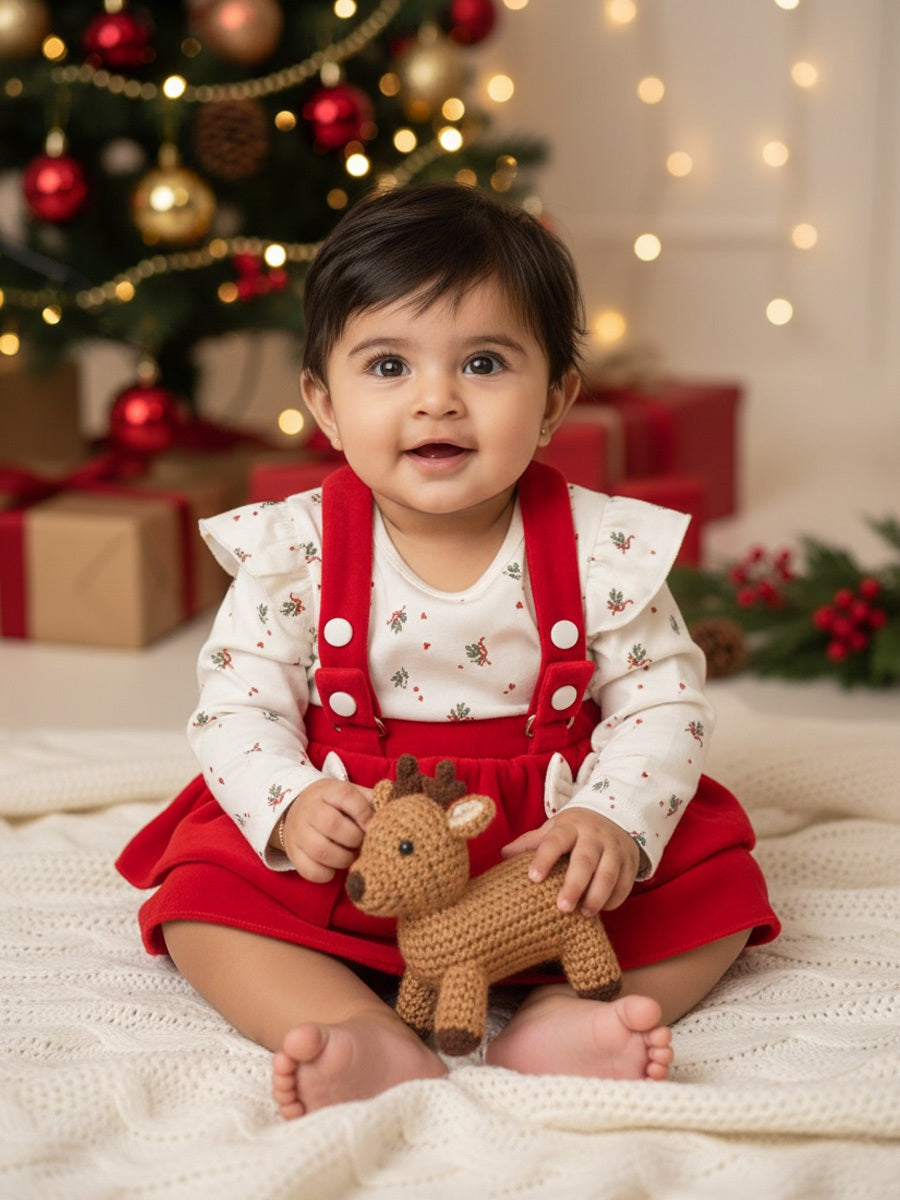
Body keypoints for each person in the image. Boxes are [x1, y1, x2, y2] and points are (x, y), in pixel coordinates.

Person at [117, 182, 779, 1120]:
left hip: (542, 845)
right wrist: (292, 801)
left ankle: (558, 1017)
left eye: (482, 362)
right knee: (201, 901)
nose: (437, 400)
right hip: (357, 842)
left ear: (554, 401)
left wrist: (612, 821)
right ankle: (363, 1029)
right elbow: (238, 708)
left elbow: (661, 704)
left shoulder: (601, 549)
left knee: (718, 888)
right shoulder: (293, 552)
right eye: (387, 366)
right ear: (325, 404)